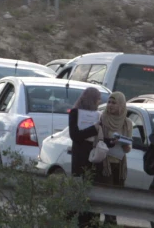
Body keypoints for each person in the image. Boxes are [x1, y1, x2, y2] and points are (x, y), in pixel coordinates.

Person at [68, 87, 102, 227]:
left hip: (93, 157)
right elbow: (75, 135)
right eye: (97, 99)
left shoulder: (97, 114)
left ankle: (89, 220)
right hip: (80, 157)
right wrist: (94, 128)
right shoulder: (75, 113)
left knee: (92, 191)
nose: (99, 103)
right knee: (78, 190)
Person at [97, 91, 132, 226]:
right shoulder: (102, 119)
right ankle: (108, 220)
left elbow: (128, 148)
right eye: (109, 102)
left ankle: (112, 220)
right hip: (105, 162)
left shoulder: (127, 123)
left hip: (120, 162)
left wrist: (123, 143)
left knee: (117, 194)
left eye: (114, 102)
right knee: (106, 194)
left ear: (121, 105)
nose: (110, 105)